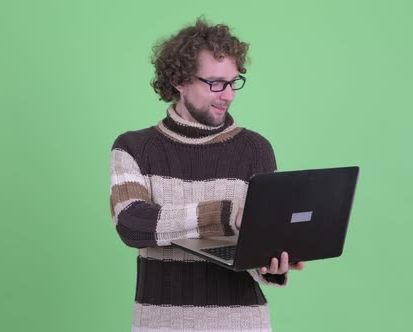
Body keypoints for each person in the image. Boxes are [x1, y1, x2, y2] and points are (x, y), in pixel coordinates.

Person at [109, 18, 304, 331]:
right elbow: (132, 224)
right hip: (161, 324)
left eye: (233, 82)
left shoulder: (255, 149)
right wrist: (222, 215)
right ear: (180, 81)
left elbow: (259, 245)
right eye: (215, 83)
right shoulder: (134, 147)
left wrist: (271, 266)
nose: (227, 95)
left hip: (242, 323)